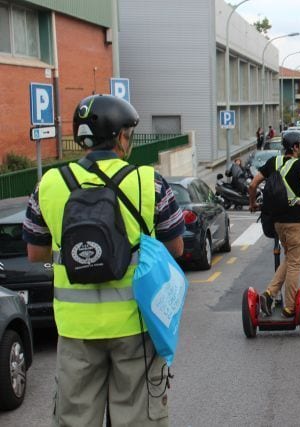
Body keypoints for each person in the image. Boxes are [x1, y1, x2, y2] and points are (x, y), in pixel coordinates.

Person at [22, 95, 185, 426]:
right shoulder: (147, 181)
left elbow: (35, 253)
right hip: (135, 326)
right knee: (139, 418)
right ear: (121, 136)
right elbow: (177, 247)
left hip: (75, 330)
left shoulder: (49, 183)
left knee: (75, 419)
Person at [248, 131, 300, 318]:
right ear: (294, 147)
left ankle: (269, 294)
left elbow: (253, 185)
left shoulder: (273, 163)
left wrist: (252, 203)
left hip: (277, 222)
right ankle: (290, 307)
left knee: (290, 258)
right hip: (295, 221)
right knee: (295, 263)